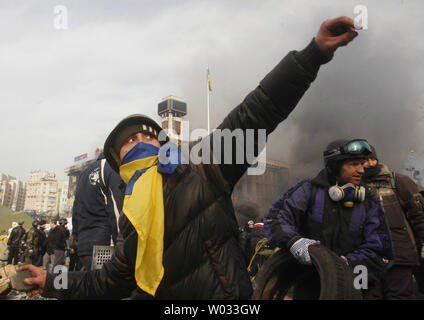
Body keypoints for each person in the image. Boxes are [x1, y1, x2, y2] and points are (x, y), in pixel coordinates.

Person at [22, 16, 360, 299]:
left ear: (162, 143)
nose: (139, 141)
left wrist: (311, 55)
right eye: (128, 142)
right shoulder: (133, 226)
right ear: (118, 162)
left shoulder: (203, 170)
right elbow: (103, 281)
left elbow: (256, 112)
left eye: (148, 135)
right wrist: (50, 280)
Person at [263, 139, 395, 299]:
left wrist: (346, 265)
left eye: (362, 164)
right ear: (335, 165)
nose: (362, 169)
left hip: (353, 287)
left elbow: (381, 249)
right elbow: (276, 218)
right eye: (354, 164)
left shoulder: (368, 202)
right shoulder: (308, 191)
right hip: (308, 285)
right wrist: (294, 241)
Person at [361, 145, 424, 299]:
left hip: (399, 258)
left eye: (372, 159)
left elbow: (419, 216)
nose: (369, 164)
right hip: (364, 261)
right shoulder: (351, 188)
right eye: (363, 161)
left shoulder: (399, 182)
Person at [71, 152, 124, 271]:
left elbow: (76, 211)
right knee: (109, 285)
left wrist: (76, 238)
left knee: (94, 285)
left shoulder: (84, 173)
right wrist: (122, 246)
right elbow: (117, 211)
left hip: (84, 248)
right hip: (106, 246)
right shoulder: (111, 168)